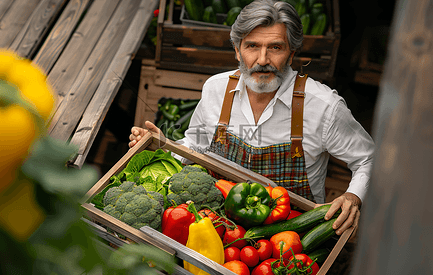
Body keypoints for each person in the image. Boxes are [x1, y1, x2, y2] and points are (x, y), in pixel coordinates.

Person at [129, 0, 374, 235]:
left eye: (275, 47)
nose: (262, 60)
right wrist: (161, 145)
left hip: (291, 234)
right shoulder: (216, 89)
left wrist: (353, 196)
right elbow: (194, 146)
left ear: (291, 54)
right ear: (237, 50)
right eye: (252, 46)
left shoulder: (323, 107)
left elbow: (368, 159)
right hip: (218, 222)